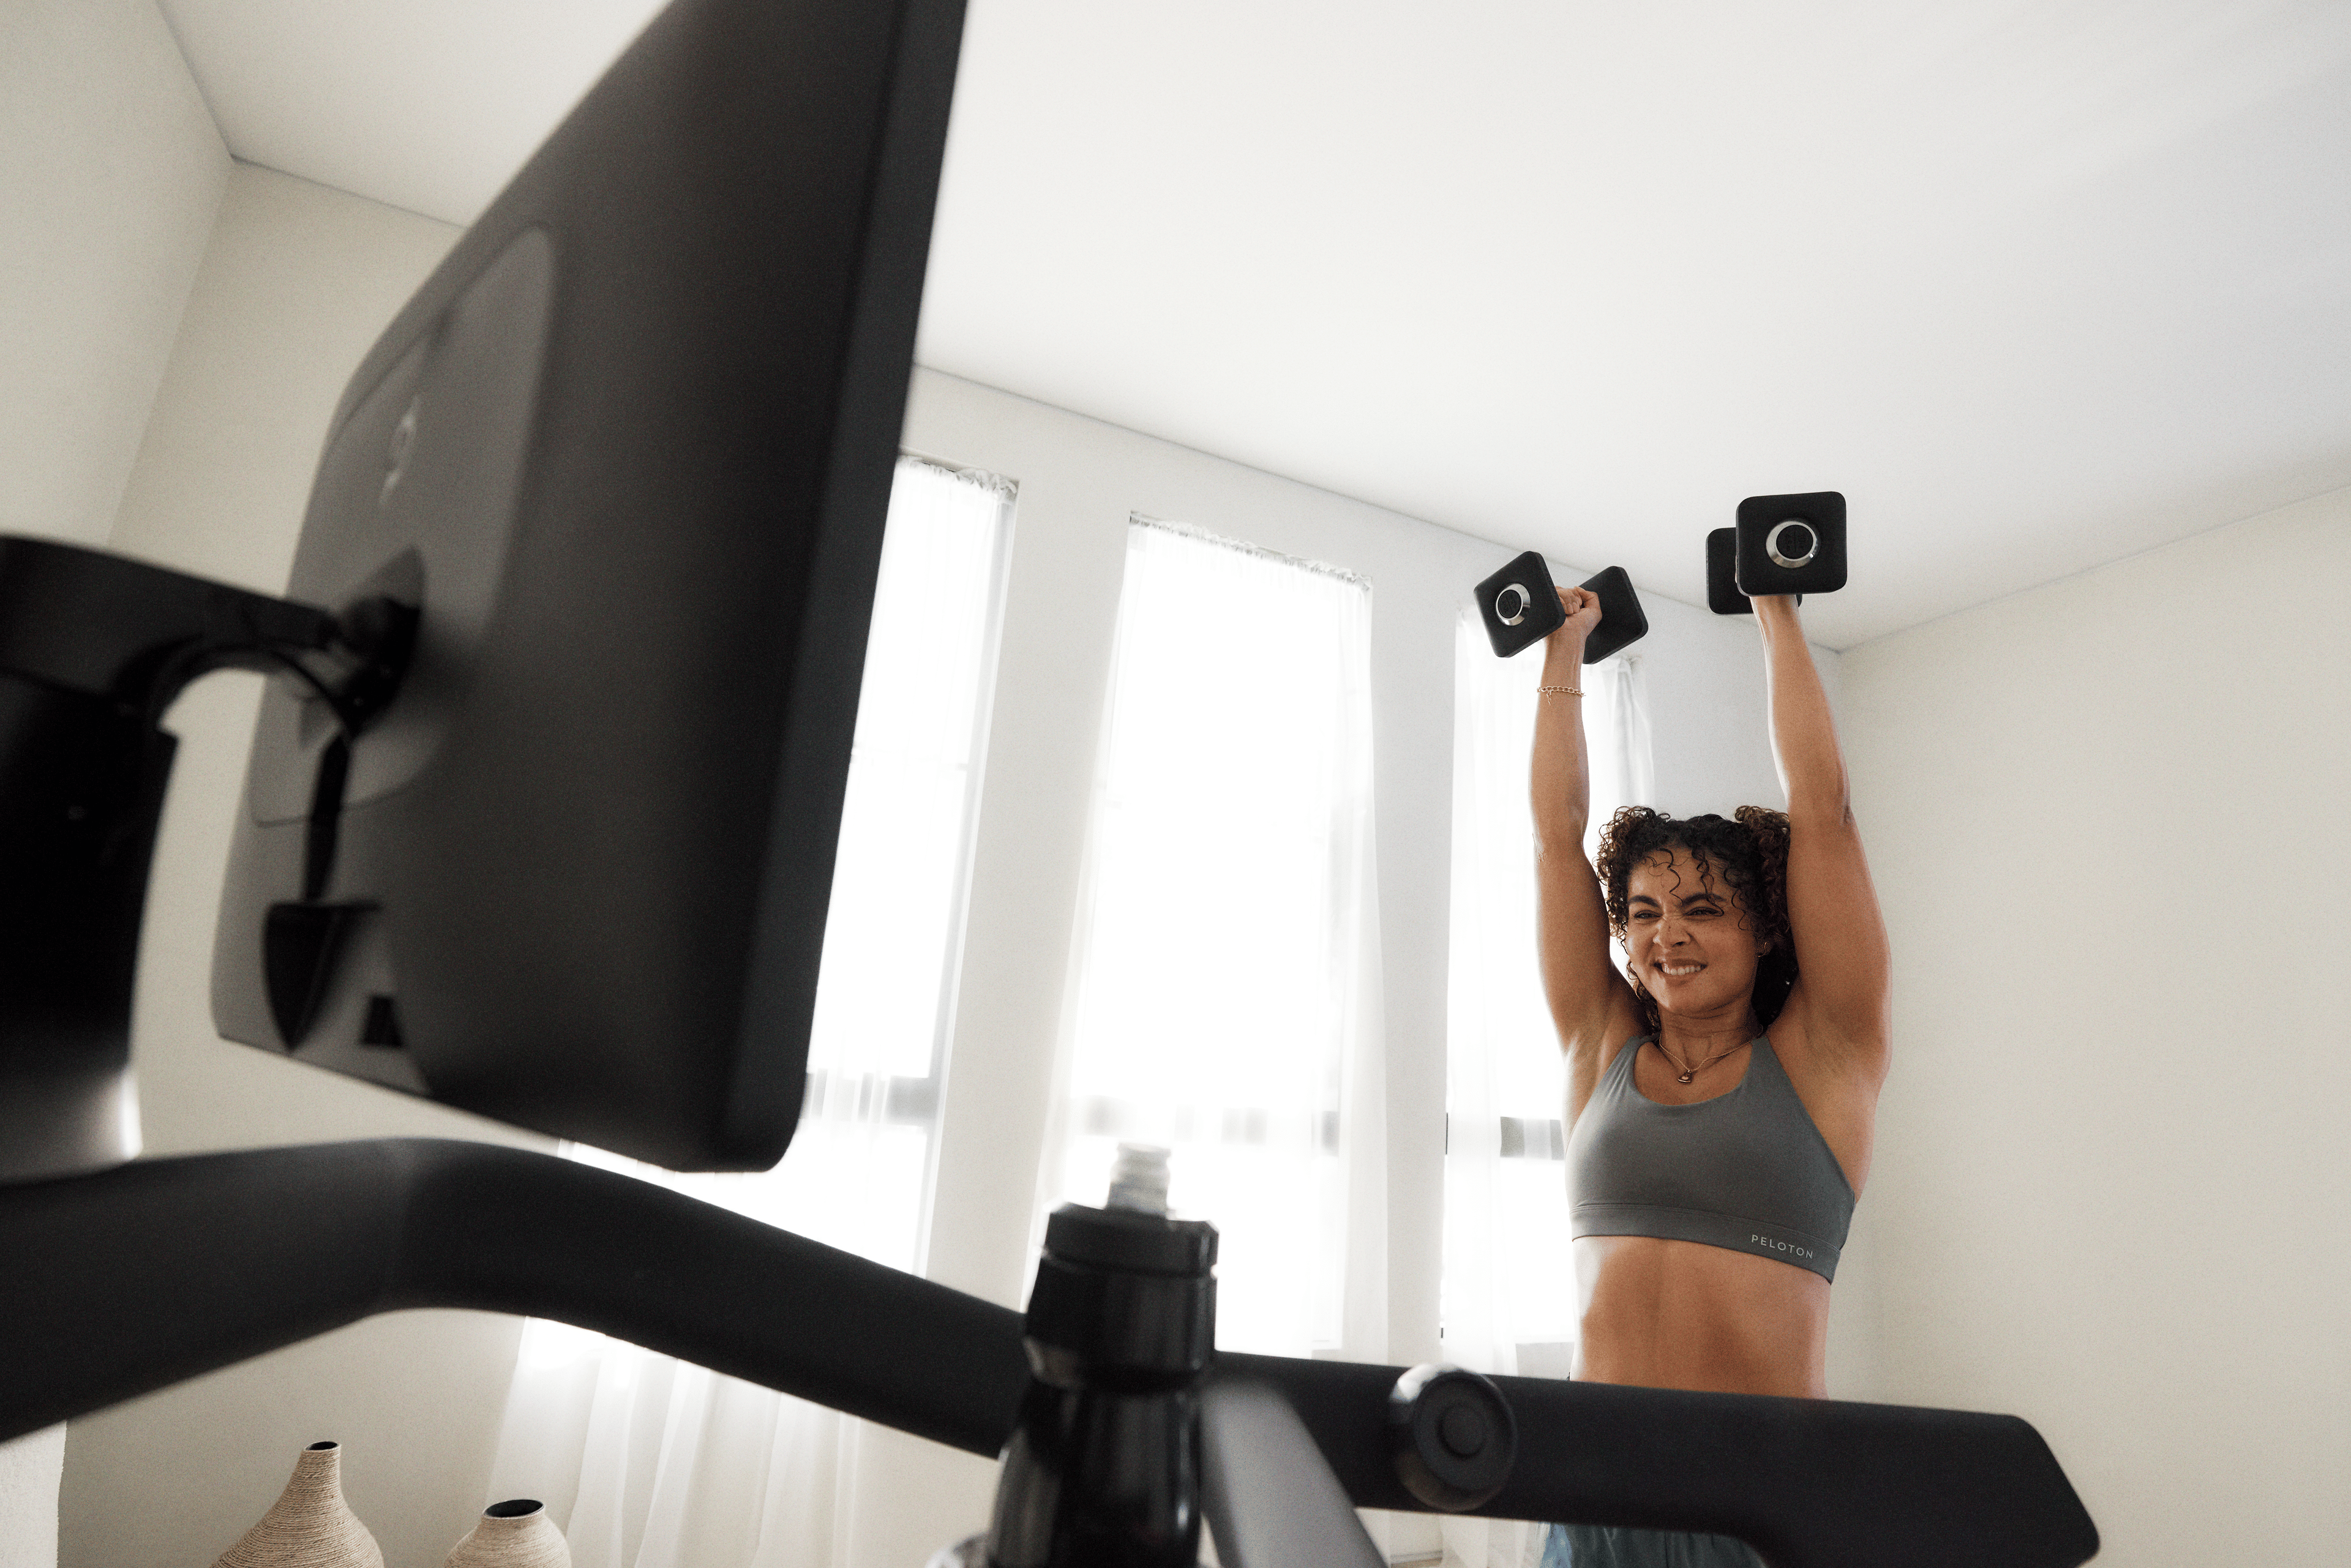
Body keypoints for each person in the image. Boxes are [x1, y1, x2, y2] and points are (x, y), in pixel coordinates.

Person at [1531, 586, 1891, 1568]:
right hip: (1588, 1495)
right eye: (1642, 913)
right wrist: (1564, 649)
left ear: (1764, 927)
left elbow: (1825, 816)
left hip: (1758, 1506)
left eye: (1700, 909)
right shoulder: (1598, 1046)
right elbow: (1554, 838)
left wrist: (1776, 610)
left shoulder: (1826, 1055)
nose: (1666, 935)